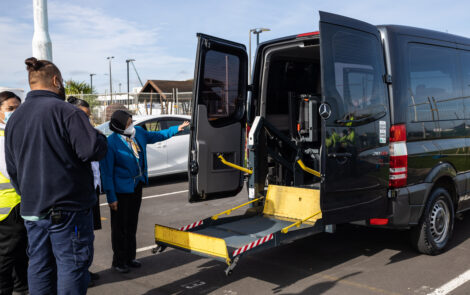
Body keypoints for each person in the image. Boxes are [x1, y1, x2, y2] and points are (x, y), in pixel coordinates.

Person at [5, 57, 108, 295]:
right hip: (67, 210)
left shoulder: (15, 119)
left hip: (32, 210)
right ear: (56, 80)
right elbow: (92, 150)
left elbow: (13, 168)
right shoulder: (67, 112)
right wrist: (97, 134)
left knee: (40, 267)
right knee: (72, 267)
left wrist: (28, 194)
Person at [100, 110, 189, 273]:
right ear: (119, 127)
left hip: (136, 186)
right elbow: (106, 173)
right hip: (120, 191)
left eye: (131, 121)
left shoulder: (138, 133)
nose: (131, 125)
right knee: (120, 227)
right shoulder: (111, 143)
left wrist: (176, 129)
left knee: (132, 224)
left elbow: (158, 135)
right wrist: (111, 197)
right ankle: (119, 261)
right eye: (128, 123)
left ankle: (130, 257)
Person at [67, 96, 101, 287]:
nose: (86, 120)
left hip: (92, 190)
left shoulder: (89, 133)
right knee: (76, 239)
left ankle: (85, 269)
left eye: (88, 116)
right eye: (83, 116)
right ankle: (78, 275)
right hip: (76, 195)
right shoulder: (69, 135)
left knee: (88, 235)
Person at [0, 91, 28, 295]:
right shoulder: (2, 138)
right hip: (9, 209)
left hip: (18, 205)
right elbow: (13, 171)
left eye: (19, 108)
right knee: (5, 258)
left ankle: (22, 288)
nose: (16, 113)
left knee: (20, 254)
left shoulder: (13, 133)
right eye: (10, 109)